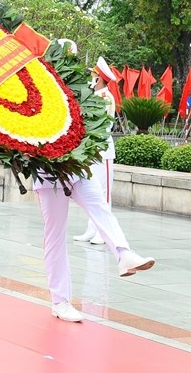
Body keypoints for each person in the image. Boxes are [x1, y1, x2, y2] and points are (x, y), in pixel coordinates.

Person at [33, 43, 155, 323]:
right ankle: (60, 300)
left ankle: (124, 253)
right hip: (48, 173)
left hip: (77, 167)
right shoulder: (37, 87)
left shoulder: (82, 91)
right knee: (55, 236)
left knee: (100, 206)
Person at [73, 56, 117, 245]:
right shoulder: (95, 96)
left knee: (104, 192)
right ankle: (92, 229)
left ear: (99, 79)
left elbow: (100, 123)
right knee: (92, 192)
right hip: (92, 149)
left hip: (103, 148)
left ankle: (103, 233)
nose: (91, 78)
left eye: (93, 75)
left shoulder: (105, 97)